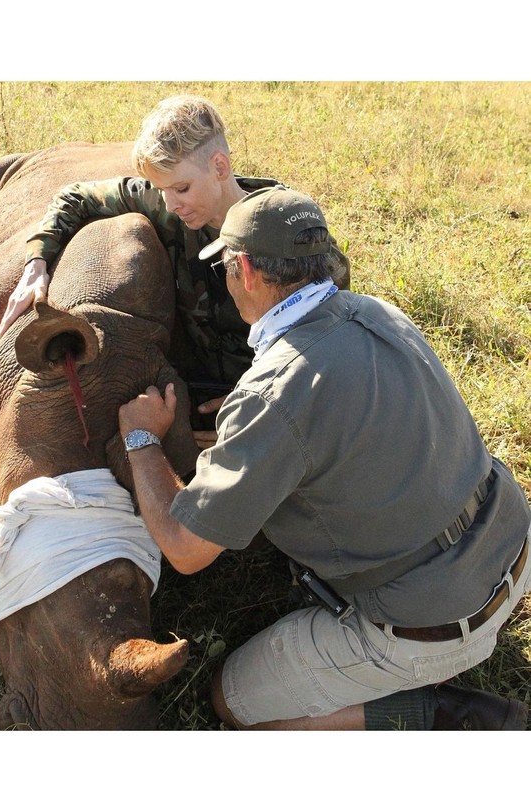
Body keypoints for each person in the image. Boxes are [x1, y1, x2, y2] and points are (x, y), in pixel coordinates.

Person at [117, 186, 531, 730]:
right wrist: (262, 425)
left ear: (244, 268)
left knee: (232, 702)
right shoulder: (377, 311)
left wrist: (142, 439)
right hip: (509, 550)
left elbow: (185, 549)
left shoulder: (273, 394)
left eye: (224, 269)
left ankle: (441, 717)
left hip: (430, 624)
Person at [0, 94, 350, 445]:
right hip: (189, 393)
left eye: (181, 188)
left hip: (272, 397)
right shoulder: (169, 204)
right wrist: (36, 263)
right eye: (162, 189)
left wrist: (261, 408)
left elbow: (328, 349)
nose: (170, 204)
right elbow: (74, 197)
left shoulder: (291, 233)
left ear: (220, 167)